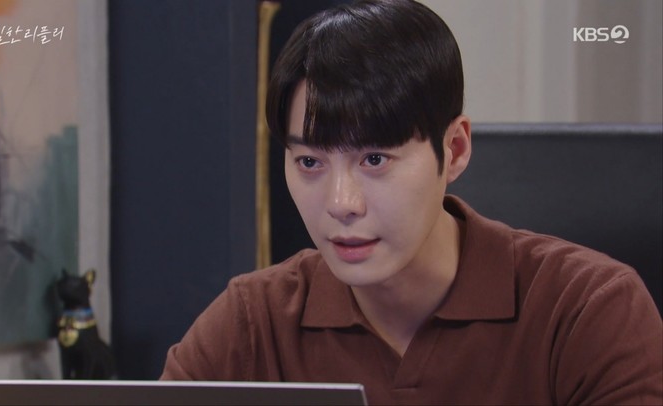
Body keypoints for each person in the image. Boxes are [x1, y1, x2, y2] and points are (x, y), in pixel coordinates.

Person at [161, 0, 663, 404]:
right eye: (310, 162)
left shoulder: (586, 310)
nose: (341, 203)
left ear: (455, 149)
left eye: (375, 159)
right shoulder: (254, 323)